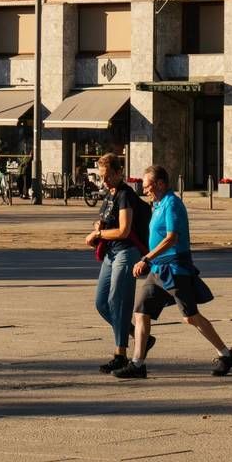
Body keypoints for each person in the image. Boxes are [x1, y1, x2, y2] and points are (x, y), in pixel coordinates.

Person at [114, 165, 232, 380]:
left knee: (191, 317)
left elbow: (172, 238)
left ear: (160, 184)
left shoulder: (172, 204)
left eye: (147, 186)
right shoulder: (159, 204)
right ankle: (137, 363)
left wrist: (146, 258)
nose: (145, 191)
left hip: (175, 269)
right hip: (158, 270)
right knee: (141, 311)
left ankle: (226, 354)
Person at [87, 153, 149, 373]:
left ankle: (120, 354)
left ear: (118, 172)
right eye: (101, 177)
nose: (104, 181)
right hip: (110, 254)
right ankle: (138, 335)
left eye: (107, 176)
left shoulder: (125, 195)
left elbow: (124, 230)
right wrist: (98, 228)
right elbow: (107, 221)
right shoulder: (110, 194)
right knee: (101, 303)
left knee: (117, 300)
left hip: (126, 253)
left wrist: (100, 233)